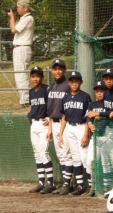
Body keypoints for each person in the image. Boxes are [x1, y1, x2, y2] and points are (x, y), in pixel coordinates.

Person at [58, 71, 92, 196]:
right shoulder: (65, 97)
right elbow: (64, 117)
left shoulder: (85, 96)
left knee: (84, 157)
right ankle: (80, 186)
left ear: (81, 82)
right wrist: (61, 134)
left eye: (76, 81)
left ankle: (91, 186)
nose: (74, 84)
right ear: (68, 83)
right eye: (72, 81)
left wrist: (86, 134)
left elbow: (88, 116)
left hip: (81, 126)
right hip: (69, 127)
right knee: (75, 157)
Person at [46, 59, 73, 195]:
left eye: (60, 69)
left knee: (66, 154)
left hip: (65, 123)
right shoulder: (50, 87)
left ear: (64, 70)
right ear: (52, 71)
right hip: (54, 123)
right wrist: (50, 129)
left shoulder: (68, 85)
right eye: (55, 69)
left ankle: (68, 184)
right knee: (61, 155)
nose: (57, 71)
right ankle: (66, 183)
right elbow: (50, 111)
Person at [27, 66, 54, 193]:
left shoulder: (47, 89)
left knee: (44, 153)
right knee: (37, 154)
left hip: (44, 124)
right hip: (34, 124)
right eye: (33, 76)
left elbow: (53, 105)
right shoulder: (31, 92)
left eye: (37, 76)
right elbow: (31, 106)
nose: (35, 79)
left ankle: (51, 183)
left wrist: (50, 119)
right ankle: (41, 183)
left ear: (42, 77)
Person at [8, 0, 35, 107]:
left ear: (25, 8)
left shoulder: (28, 18)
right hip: (19, 48)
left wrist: (12, 17)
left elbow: (14, 30)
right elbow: (14, 27)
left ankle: (26, 100)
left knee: (21, 74)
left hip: (22, 48)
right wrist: (13, 17)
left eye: (19, 6)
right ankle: (23, 99)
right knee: (19, 74)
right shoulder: (23, 19)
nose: (17, 8)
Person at [85, 81, 109, 196]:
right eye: (97, 91)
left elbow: (110, 115)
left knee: (105, 163)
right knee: (90, 161)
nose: (99, 93)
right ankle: (92, 187)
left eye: (102, 91)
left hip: (106, 136)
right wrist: (90, 124)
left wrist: (99, 115)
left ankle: (107, 187)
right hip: (95, 137)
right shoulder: (92, 104)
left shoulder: (109, 104)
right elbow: (88, 117)